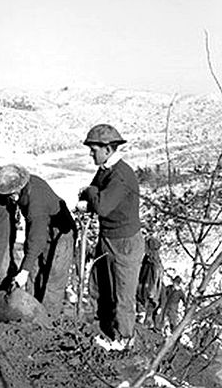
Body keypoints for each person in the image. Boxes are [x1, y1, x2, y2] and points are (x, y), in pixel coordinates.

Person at [78, 124, 145, 351]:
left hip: (125, 242)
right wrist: (89, 195)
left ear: (107, 149)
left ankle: (124, 341)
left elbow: (103, 205)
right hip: (108, 237)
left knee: (123, 294)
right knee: (101, 287)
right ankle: (105, 331)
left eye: (93, 149)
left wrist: (89, 193)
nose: (90, 153)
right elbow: (95, 190)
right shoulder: (106, 169)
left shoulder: (120, 175)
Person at [0, 164, 77, 316]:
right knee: (34, 273)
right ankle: (30, 313)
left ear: (16, 191)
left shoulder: (36, 201)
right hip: (44, 227)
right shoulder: (26, 187)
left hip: (62, 233)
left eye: (9, 195)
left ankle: (47, 321)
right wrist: (27, 269)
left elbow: (36, 238)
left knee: (53, 279)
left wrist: (23, 270)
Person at [136, 237, 164, 329]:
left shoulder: (152, 261)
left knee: (145, 304)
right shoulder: (152, 260)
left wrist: (150, 290)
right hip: (148, 287)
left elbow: (153, 277)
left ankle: (145, 322)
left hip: (147, 288)